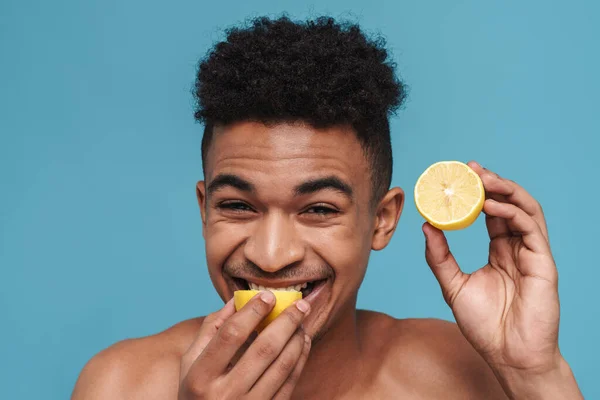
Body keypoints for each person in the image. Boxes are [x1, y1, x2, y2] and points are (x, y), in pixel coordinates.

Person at [72, 15, 583, 399]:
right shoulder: (121, 384)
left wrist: (532, 373)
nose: (271, 257)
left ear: (382, 219)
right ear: (205, 209)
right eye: (238, 205)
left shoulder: (457, 374)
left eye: (317, 209)